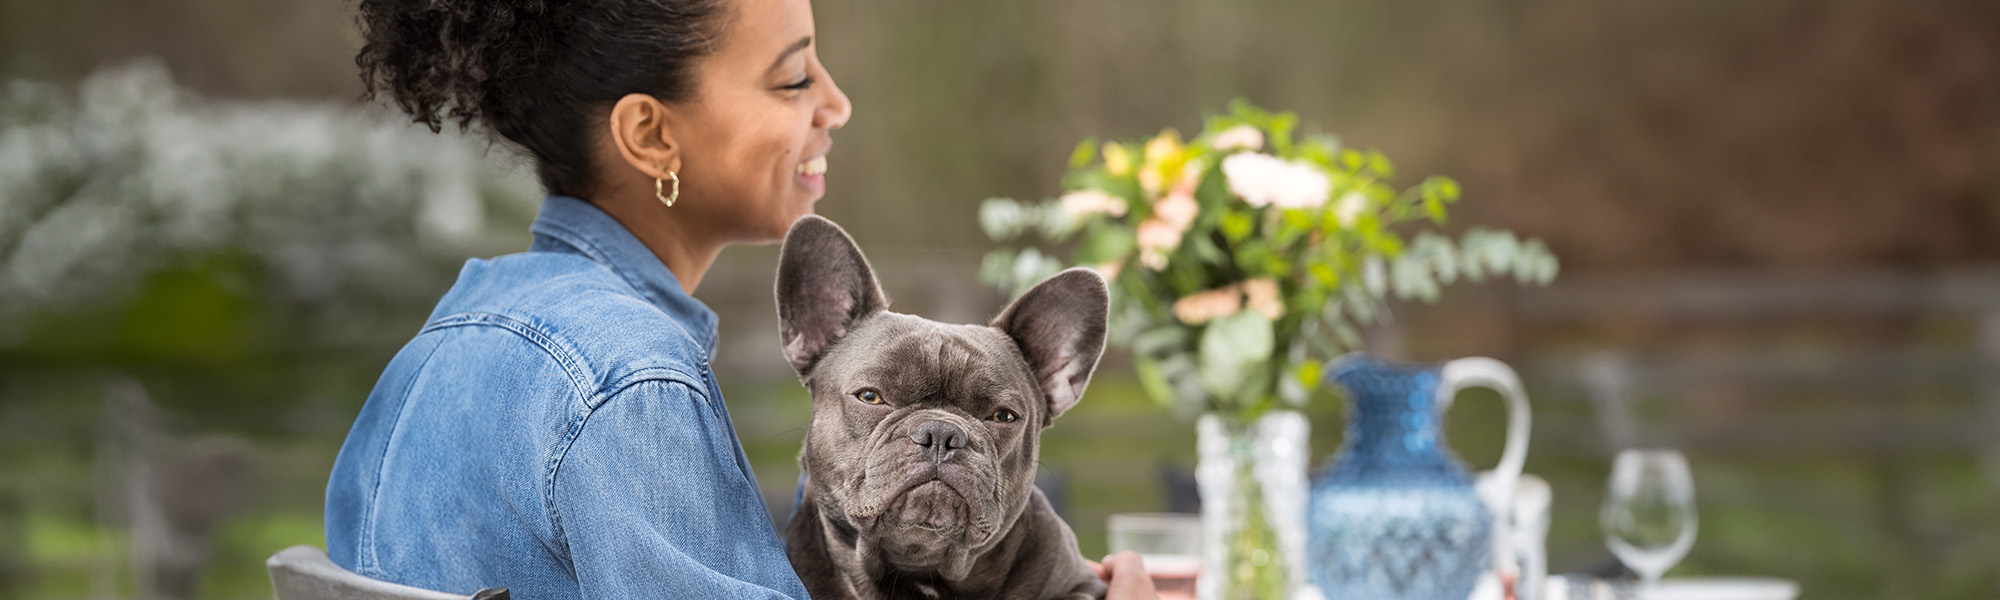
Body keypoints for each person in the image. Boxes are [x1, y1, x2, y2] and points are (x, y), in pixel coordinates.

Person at [322, 0, 1158, 597]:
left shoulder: (446, 336)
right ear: (652, 134)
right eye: (792, 79)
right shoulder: (631, 383)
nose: (837, 103)